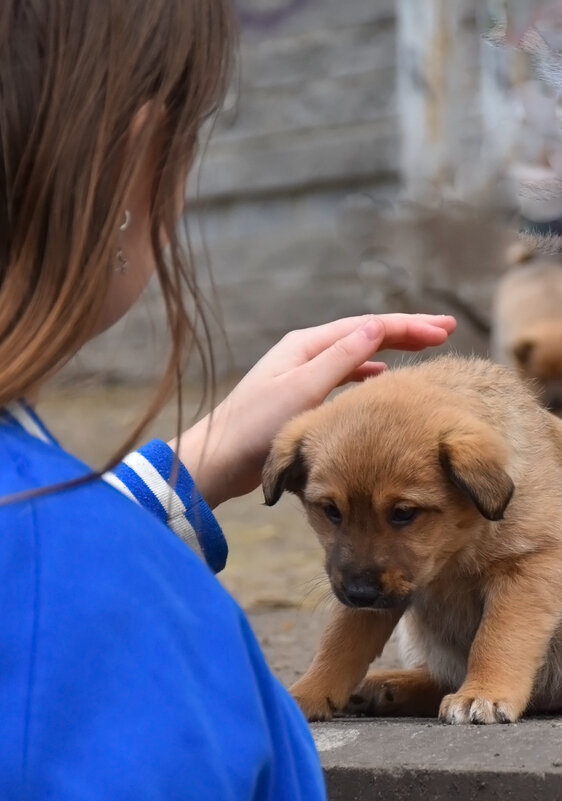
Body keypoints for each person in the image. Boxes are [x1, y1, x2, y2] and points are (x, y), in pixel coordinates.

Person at [0, 2, 456, 799]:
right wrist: (109, 553)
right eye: (190, 136)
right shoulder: (145, 632)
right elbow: (48, 594)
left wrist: (182, 475)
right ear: (133, 159)